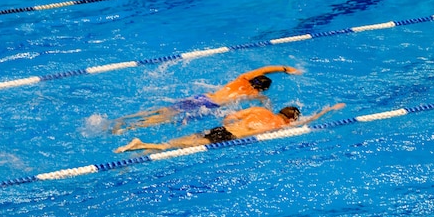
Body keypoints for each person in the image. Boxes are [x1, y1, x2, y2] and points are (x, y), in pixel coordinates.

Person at [111, 65, 302, 133]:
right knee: (166, 119)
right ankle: (130, 128)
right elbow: (265, 103)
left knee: (165, 110)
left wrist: (285, 68)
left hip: (202, 97)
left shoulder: (240, 80)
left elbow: (264, 69)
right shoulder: (253, 95)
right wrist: (269, 103)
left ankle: (123, 119)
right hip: (210, 106)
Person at [114, 103, 345, 153]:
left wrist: (230, 124)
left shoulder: (261, 110)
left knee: (178, 142)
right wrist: (330, 109)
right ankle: (140, 145)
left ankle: (143, 149)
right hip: (229, 138)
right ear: (291, 119)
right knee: (174, 148)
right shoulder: (280, 125)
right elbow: (311, 120)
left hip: (223, 129)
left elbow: (230, 115)